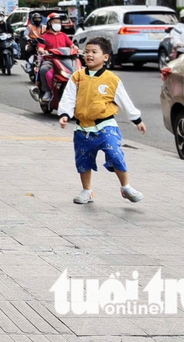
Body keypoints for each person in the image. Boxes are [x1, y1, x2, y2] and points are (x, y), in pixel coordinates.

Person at [58, 36, 146, 204]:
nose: (89, 55)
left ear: (105, 57)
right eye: (87, 52)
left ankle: (126, 187)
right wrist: (65, 114)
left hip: (106, 125)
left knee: (115, 153)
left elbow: (125, 100)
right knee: (83, 160)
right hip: (83, 127)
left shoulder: (112, 79)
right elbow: (69, 97)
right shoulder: (77, 77)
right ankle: (87, 191)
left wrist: (137, 120)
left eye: (94, 52)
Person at [34, 13, 74, 103]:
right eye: (55, 22)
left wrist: (77, 49)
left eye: (59, 22)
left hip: (65, 61)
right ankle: (47, 91)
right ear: (49, 23)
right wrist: (43, 51)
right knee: (44, 69)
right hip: (50, 60)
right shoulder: (44, 36)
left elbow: (72, 45)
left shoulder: (63, 35)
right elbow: (40, 47)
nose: (57, 24)